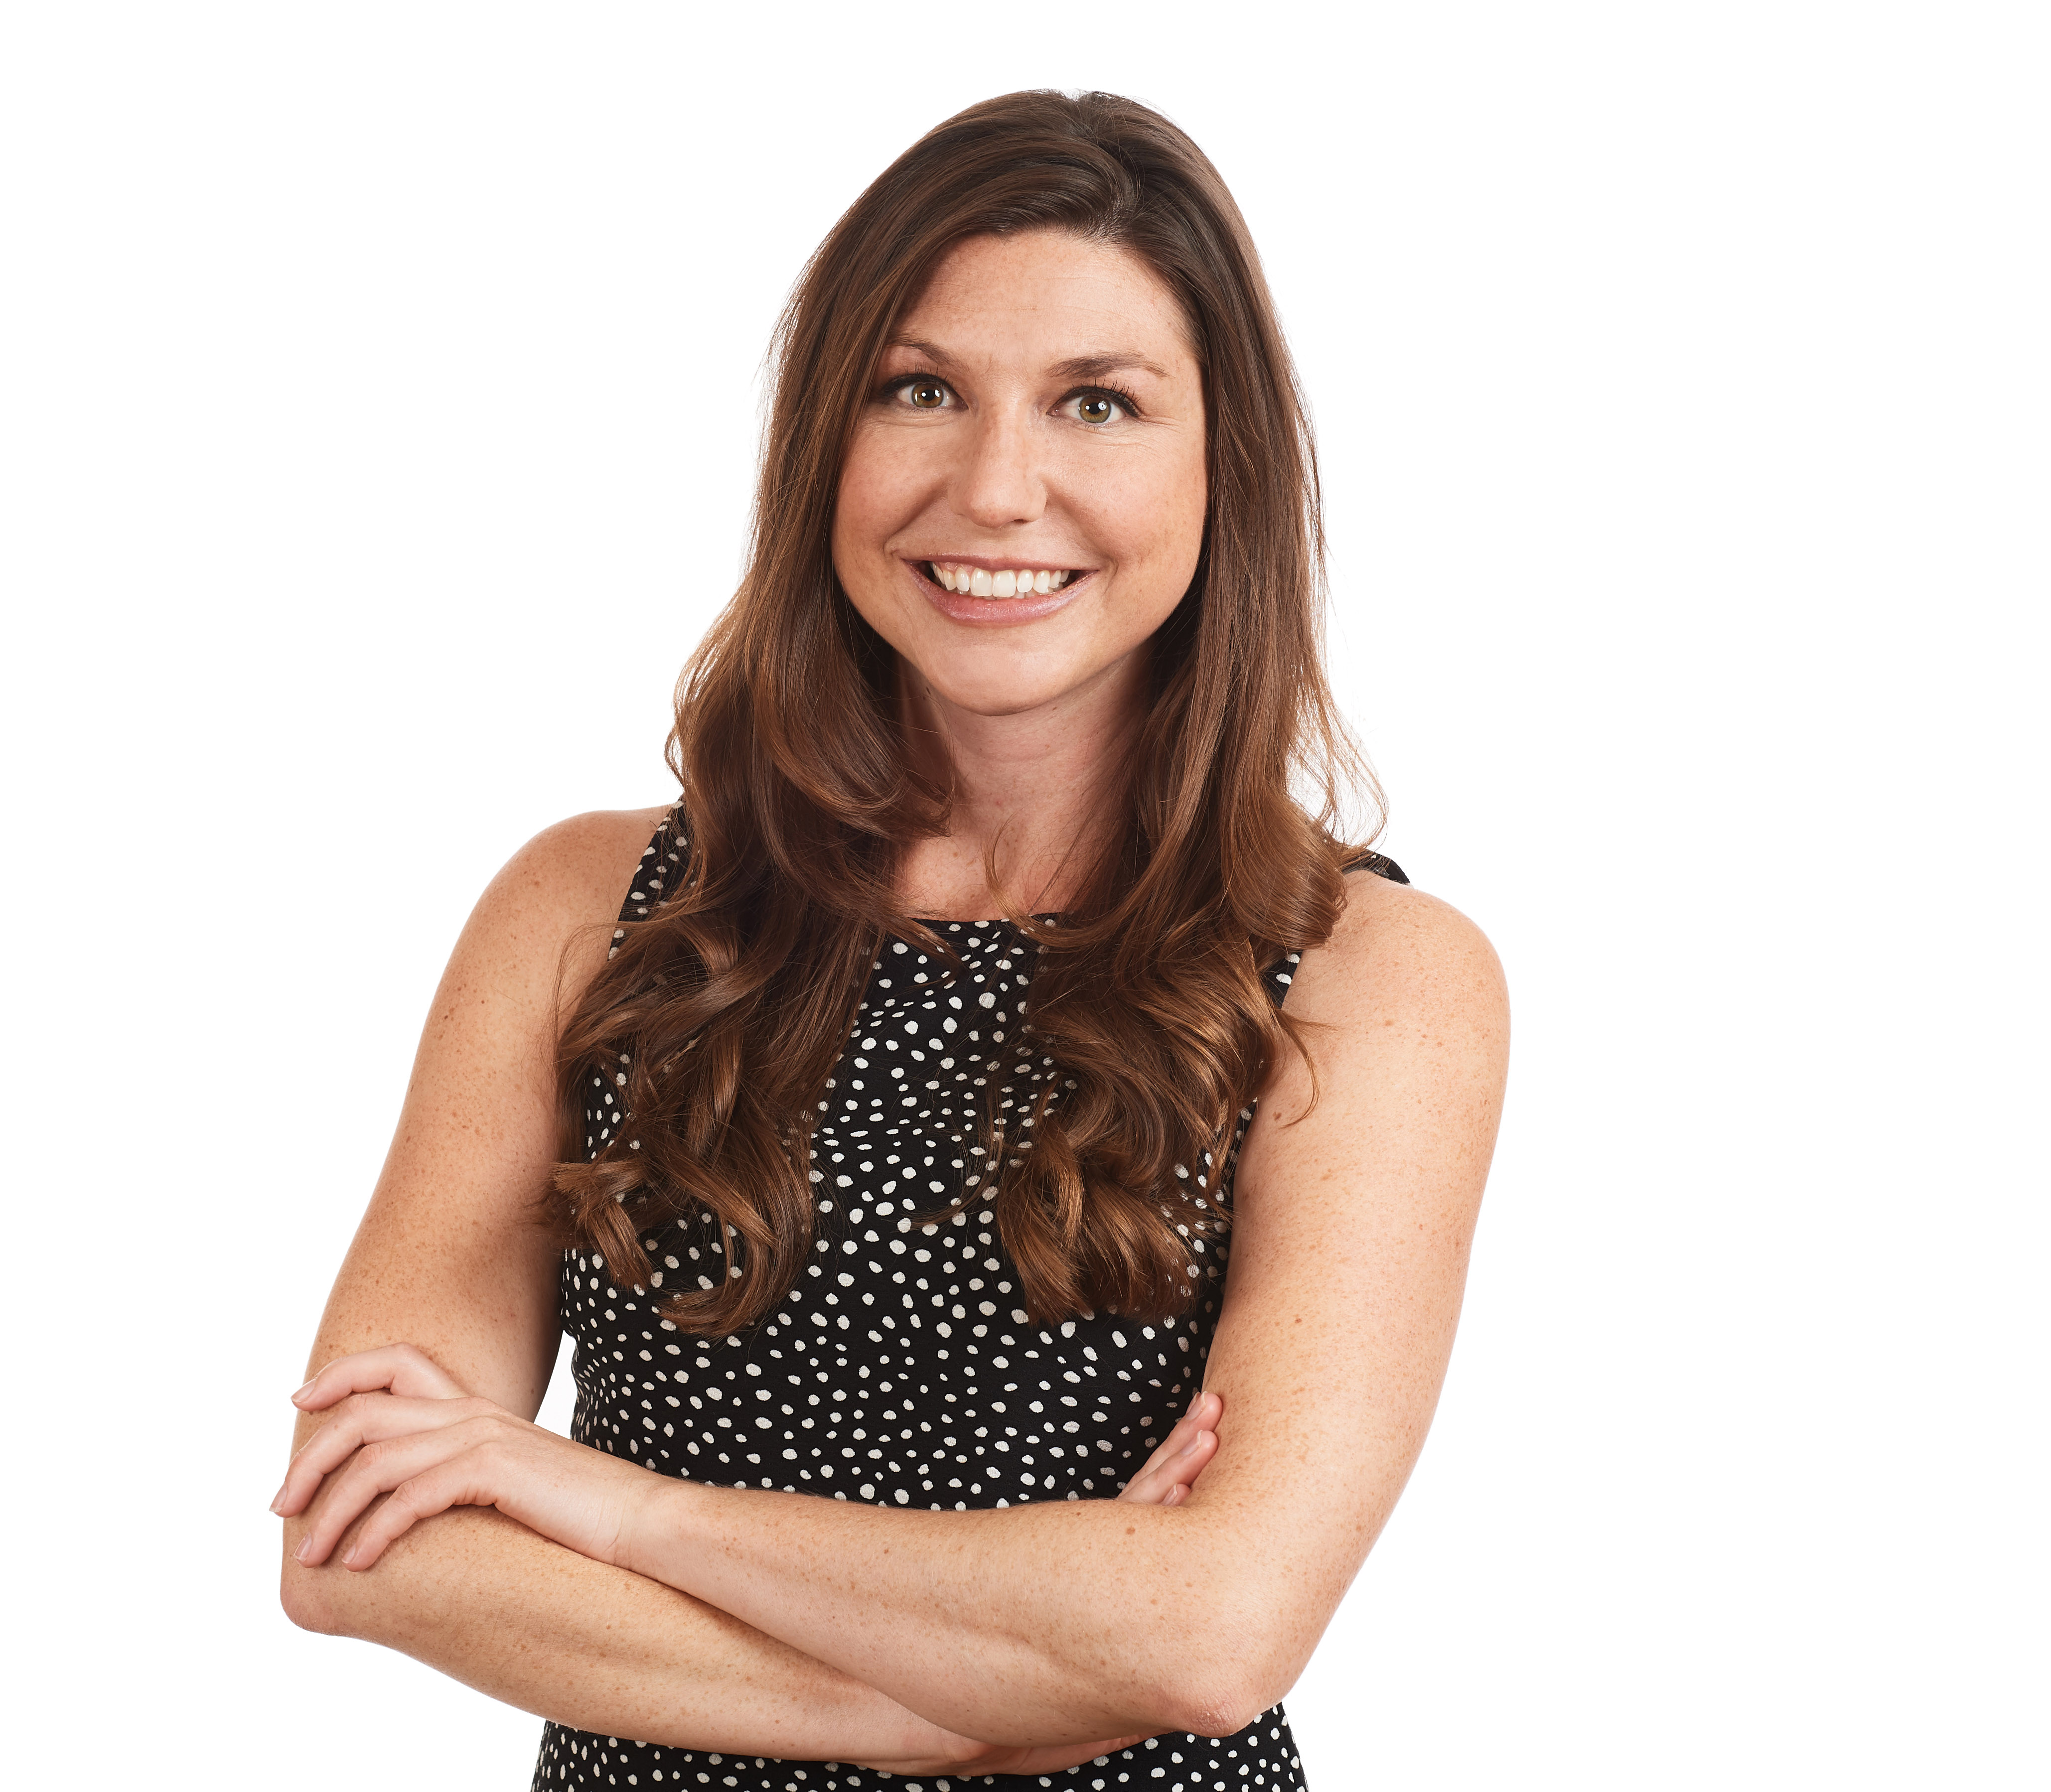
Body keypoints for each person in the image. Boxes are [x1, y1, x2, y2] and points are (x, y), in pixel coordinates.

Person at [270, 90, 1508, 1791]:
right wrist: (963, 1703)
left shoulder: (1373, 978)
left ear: (1225, 466)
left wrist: (607, 1506)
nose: (999, 487)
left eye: (1099, 404)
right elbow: (364, 1538)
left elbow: (1213, 1631)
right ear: (820, 445)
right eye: (920, 390)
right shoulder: (587, 914)